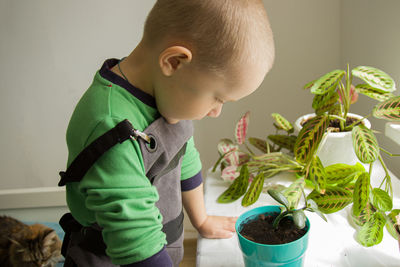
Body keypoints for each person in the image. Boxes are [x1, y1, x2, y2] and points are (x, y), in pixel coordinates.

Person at [59, 0, 275, 266]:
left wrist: (202, 220)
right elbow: (136, 240)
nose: (216, 112)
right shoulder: (111, 129)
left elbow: (184, 156)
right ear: (174, 62)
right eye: (217, 98)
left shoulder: (165, 95)